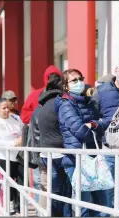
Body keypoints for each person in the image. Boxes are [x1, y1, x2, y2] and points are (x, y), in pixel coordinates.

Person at [55, 69, 108, 217]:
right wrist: (95, 127)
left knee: (102, 203)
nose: (79, 82)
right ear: (66, 86)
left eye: (80, 79)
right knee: (83, 205)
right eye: (74, 80)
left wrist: (95, 126)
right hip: (76, 160)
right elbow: (81, 132)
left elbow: (102, 124)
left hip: (93, 158)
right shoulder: (66, 105)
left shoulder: (88, 102)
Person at [92, 60, 119, 212]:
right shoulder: (102, 91)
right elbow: (92, 114)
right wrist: (102, 131)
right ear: (116, 71)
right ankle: (109, 214)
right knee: (109, 188)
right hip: (110, 147)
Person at [37, 73, 72, 217]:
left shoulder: (44, 104)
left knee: (54, 191)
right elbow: (69, 126)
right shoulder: (60, 102)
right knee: (63, 193)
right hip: (60, 152)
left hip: (46, 152)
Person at [0, 98, 24, 215]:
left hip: (19, 157)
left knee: (22, 183)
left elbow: (23, 131)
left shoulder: (15, 118)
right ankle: (6, 206)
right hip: (3, 157)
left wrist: (22, 140)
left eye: (8, 107)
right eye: (4, 108)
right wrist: (13, 143)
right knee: (5, 184)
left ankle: (20, 207)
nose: (7, 110)